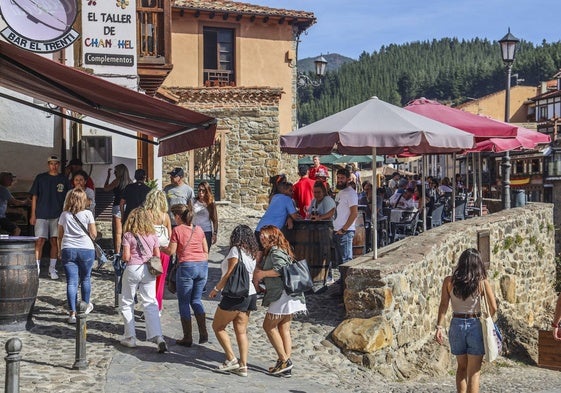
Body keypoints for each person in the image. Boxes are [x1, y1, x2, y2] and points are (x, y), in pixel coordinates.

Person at [435, 248, 497, 393]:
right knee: (474, 372)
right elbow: (493, 307)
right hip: (474, 324)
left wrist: (439, 326)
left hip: (456, 325)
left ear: (461, 263)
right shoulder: (482, 283)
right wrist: (486, 319)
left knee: (461, 368)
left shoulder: (449, 281)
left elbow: (443, 305)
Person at [253, 225, 307, 376]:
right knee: (284, 328)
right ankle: (285, 365)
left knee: (268, 326)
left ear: (273, 236)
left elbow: (280, 270)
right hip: (288, 295)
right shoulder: (277, 250)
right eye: (261, 237)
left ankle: (284, 360)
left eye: (265, 236)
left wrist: (262, 273)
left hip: (281, 295)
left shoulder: (276, 251)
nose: (262, 239)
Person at [209, 225, 259, 377]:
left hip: (235, 295)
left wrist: (216, 289)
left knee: (218, 326)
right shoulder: (252, 253)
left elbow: (229, 273)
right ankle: (243, 365)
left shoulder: (235, 251)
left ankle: (231, 359)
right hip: (250, 294)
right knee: (241, 331)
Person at [119, 207, 168, 353]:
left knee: (127, 302)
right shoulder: (153, 235)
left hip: (133, 269)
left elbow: (126, 257)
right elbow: (157, 255)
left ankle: (130, 337)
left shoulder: (128, 235)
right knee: (150, 302)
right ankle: (157, 337)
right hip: (148, 270)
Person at [164, 203, 209, 346]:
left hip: (186, 267)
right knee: (196, 300)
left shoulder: (177, 230)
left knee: (183, 302)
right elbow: (206, 250)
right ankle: (203, 333)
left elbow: (171, 251)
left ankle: (187, 337)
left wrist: (159, 247)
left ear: (178, 216)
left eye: (174, 216)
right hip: (202, 266)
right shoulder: (199, 229)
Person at [57, 188, 96, 324]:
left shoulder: (64, 215)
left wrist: (59, 250)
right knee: (86, 278)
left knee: (71, 282)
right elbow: (94, 234)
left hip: (68, 248)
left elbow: (60, 235)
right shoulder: (88, 214)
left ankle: (72, 313)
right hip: (86, 249)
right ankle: (84, 309)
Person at [29, 155, 71, 279]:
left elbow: (69, 197)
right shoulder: (41, 178)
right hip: (41, 214)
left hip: (57, 215)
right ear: (48, 164)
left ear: (59, 165)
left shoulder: (63, 179)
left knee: (55, 241)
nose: (54, 166)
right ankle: (36, 268)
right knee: (39, 241)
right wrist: (33, 214)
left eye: (56, 163)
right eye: (51, 163)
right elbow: (34, 196)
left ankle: (52, 269)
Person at [144, 189, 172, 313]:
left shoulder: (146, 214)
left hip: (149, 251)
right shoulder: (165, 216)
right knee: (160, 281)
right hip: (163, 251)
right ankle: (158, 307)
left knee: (148, 280)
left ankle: (149, 308)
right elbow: (170, 235)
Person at [103, 164, 132, 255]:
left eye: (115, 171)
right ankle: (126, 251)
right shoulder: (130, 182)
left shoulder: (117, 181)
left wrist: (108, 177)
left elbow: (106, 189)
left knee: (118, 233)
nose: (114, 173)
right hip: (128, 207)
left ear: (119, 172)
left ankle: (117, 253)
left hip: (117, 207)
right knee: (127, 231)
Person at [332, 168, 358, 267]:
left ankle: (346, 281)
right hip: (338, 230)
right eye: (338, 177)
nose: (339, 180)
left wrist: (344, 229)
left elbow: (354, 213)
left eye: (342, 178)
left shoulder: (351, 193)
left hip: (345, 232)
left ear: (348, 179)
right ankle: (342, 280)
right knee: (339, 260)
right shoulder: (340, 192)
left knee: (346, 260)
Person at [192, 181, 218, 251]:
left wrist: (215, 233)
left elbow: (215, 219)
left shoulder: (211, 203)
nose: (200, 192)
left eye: (203, 190)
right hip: (194, 231)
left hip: (206, 231)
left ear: (207, 191)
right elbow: (189, 216)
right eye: (199, 190)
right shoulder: (193, 201)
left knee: (205, 253)